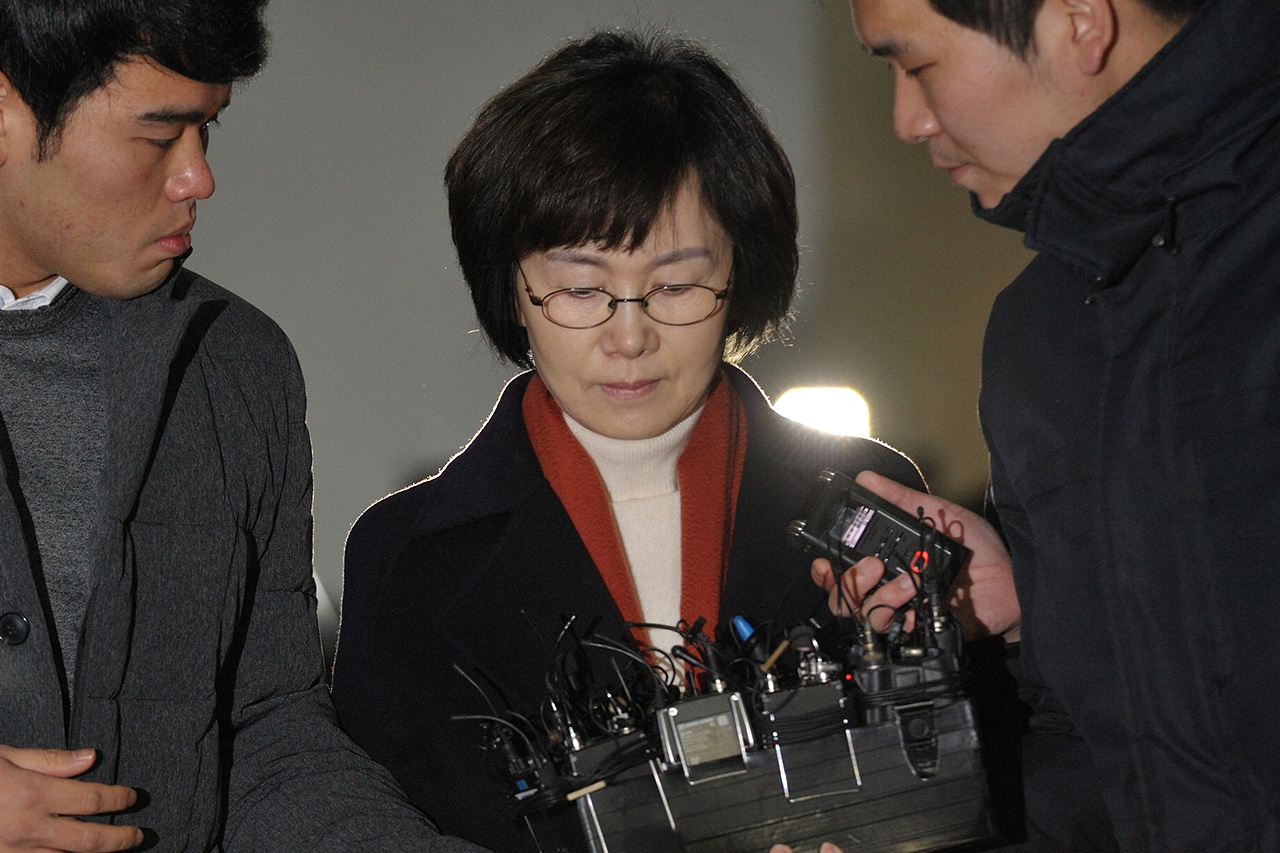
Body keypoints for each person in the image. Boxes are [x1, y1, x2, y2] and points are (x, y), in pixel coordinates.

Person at [329, 30, 926, 853]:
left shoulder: (869, 494)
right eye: (581, 289)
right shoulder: (407, 559)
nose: (630, 336)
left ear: (741, 275)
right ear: (514, 288)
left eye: (676, 285)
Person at [0, 2, 489, 850]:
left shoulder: (234, 365)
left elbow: (266, 736)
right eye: (159, 137)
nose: (198, 179)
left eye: (207, 131)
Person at [794, 0, 1279, 849]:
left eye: (917, 66)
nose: (907, 121)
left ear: (1081, 21)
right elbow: (1091, 762)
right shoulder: (1040, 329)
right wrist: (1030, 609)